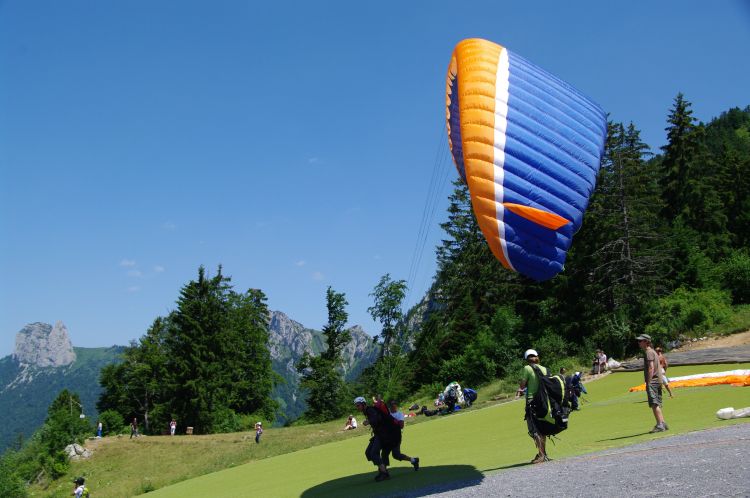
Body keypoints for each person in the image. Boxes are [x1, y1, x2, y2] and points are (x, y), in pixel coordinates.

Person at [354, 396, 400, 482]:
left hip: (383, 434)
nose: (357, 407)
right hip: (378, 434)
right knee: (368, 453)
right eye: (356, 406)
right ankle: (381, 468)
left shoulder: (370, 410)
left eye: (358, 405)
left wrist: (368, 421)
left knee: (374, 453)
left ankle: (384, 473)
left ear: (363, 404)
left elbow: (377, 419)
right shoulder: (366, 411)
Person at [517, 349, 550, 464]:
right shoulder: (545, 369)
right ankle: (543, 453)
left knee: (535, 429)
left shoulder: (527, 368)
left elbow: (522, 385)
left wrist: (520, 390)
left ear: (527, 359)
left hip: (532, 402)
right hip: (544, 402)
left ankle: (541, 455)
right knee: (542, 429)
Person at [637, 334, 668, 433]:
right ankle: (663, 423)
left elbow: (651, 367)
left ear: (646, 342)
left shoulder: (648, 352)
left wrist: (649, 381)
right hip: (658, 380)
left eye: (640, 341)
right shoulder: (653, 351)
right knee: (657, 403)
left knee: (654, 403)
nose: (639, 343)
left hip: (653, 381)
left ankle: (660, 425)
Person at [385, 400, 419, 471]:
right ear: (389, 407)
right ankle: (383, 471)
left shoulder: (399, 414)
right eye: (391, 405)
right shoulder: (387, 414)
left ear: (396, 406)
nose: (393, 407)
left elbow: (401, 426)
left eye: (394, 405)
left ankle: (414, 460)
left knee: (396, 455)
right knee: (384, 453)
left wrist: (392, 421)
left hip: (396, 437)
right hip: (387, 437)